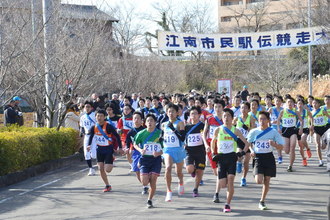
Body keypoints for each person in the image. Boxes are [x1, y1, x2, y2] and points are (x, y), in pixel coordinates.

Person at [211, 108, 249, 213]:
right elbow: (213, 141)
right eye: (224, 116)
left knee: (231, 180)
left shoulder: (235, 130)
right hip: (221, 158)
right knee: (223, 184)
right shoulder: (218, 130)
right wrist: (213, 153)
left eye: (228, 116)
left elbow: (246, 143)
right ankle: (227, 187)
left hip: (232, 157)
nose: (226, 118)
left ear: (232, 118)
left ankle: (227, 204)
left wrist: (242, 153)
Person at [247, 111, 284, 210]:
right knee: (259, 181)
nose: (262, 121)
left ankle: (262, 201)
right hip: (258, 157)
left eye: (264, 119)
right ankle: (257, 173)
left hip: (269, 157)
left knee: (267, 180)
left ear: (268, 120)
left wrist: (274, 144)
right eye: (260, 119)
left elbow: (281, 146)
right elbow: (248, 143)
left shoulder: (273, 132)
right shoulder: (254, 131)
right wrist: (251, 150)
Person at [87, 109, 123, 192]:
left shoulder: (108, 126)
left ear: (104, 117)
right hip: (99, 149)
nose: (99, 118)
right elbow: (91, 136)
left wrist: (120, 147)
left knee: (108, 170)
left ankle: (111, 158)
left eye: (101, 116)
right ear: (95, 117)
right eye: (98, 116)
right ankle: (107, 185)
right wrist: (89, 145)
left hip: (108, 149)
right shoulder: (94, 127)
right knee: (100, 168)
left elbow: (117, 136)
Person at [134, 113, 163, 208]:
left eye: (151, 120)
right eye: (148, 121)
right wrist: (140, 150)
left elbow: (166, 147)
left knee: (153, 180)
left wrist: (159, 153)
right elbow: (135, 144)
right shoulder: (141, 134)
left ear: (155, 122)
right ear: (145, 123)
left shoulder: (160, 134)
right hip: (145, 159)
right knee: (145, 182)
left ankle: (149, 200)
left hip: (156, 159)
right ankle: (146, 185)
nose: (149, 122)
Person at [161, 103, 186, 202]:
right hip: (168, 150)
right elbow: (162, 137)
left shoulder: (180, 123)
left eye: (173, 111)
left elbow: (182, 138)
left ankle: (181, 182)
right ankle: (169, 191)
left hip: (178, 150)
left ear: (177, 113)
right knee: (167, 168)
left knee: (178, 172)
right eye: (169, 111)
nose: (171, 113)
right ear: (166, 113)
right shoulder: (163, 124)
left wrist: (173, 129)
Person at [277, 97, 303, 172]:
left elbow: (301, 120)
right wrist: (278, 128)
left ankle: (290, 165)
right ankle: (286, 157)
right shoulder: (283, 111)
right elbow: (278, 120)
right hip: (285, 130)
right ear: (286, 103)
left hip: (293, 130)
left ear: (293, 103)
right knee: (286, 151)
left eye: (291, 102)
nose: (289, 103)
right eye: (288, 102)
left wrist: (301, 128)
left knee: (292, 147)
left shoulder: (296, 111)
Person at [233, 102, 256, 187]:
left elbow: (253, 130)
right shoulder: (237, 118)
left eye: (245, 108)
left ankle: (243, 178)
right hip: (239, 140)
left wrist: (248, 128)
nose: (243, 109)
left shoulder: (251, 118)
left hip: (248, 141)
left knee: (246, 162)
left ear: (248, 109)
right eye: (242, 108)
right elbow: (231, 127)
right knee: (239, 155)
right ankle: (238, 163)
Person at [184, 106, 206, 197]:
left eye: (195, 113)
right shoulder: (186, 127)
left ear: (199, 115)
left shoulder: (203, 125)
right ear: (189, 115)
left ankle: (195, 189)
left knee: (200, 171)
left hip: (200, 150)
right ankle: (193, 171)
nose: (194, 115)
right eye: (192, 113)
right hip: (189, 151)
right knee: (189, 169)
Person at [126, 112, 146, 193]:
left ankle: (146, 185)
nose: (136, 120)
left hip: (145, 152)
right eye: (135, 118)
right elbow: (128, 143)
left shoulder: (145, 130)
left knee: (144, 170)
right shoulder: (130, 132)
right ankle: (145, 185)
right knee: (137, 171)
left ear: (142, 120)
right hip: (135, 153)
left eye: (138, 118)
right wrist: (127, 149)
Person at [79, 101, 97, 176]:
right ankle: (91, 169)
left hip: (95, 136)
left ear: (91, 108)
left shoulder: (95, 115)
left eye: (88, 107)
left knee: (94, 154)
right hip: (86, 136)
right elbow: (82, 126)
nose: (87, 108)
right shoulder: (82, 117)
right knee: (86, 153)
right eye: (85, 107)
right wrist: (81, 132)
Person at [311, 99, 330, 167]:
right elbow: (310, 122)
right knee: (317, 145)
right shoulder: (311, 112)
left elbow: (328, 117)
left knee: (323, 147)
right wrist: (311, 128)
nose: (314, 104)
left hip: (324, 128)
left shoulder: (322, 110)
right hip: (316, 129)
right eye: (313, 103)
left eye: (316, 103)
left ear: (319, 104)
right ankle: (320, 161)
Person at [296, 99, 313, 166]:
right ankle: (304, 159)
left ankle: (308, 149)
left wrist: (311, 125)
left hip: (305, 128)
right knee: (300, 146)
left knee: (303, 139)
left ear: (303, 105)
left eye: (301, 104)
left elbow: (311, 117)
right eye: (298, 104)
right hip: (297, 129)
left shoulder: (306, 112)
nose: (299, 105)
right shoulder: (295, 112)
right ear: (296, 105)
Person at [268, 95, 284, 164]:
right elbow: (266, 117)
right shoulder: (271, 109)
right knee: (271, 142)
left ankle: (280, 156)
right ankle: (271, 155)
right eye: (276, 100)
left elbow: (285, 119)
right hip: (272, 127)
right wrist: (270, 122)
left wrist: (280, 121)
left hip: (280, 127)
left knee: (278, 142)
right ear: (274, 101)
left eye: (279, 101)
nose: (278, 102)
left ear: (281, 102)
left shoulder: (283, 110)